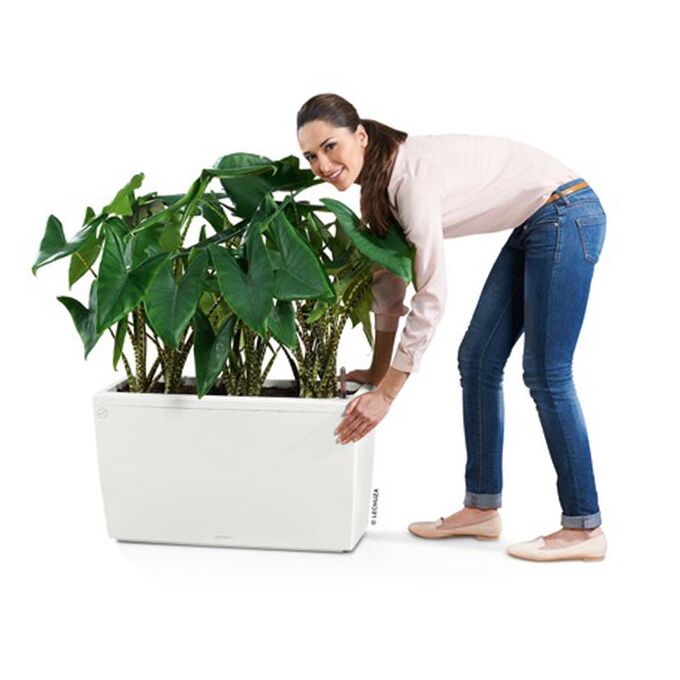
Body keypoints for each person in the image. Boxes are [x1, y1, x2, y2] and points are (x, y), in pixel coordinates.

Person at [296, 93, 607, 563]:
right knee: (478, 360)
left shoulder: (409, 180)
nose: (322, 164)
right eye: (310, 156)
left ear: (360, 136)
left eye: (329, 147)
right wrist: (377, 374)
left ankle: (584, 527)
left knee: (547, 372)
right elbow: (389, 283)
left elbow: (431, 295)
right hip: (537, 221)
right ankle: (481, 509)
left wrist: (387, 395)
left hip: (566, 210)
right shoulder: (376, 186)